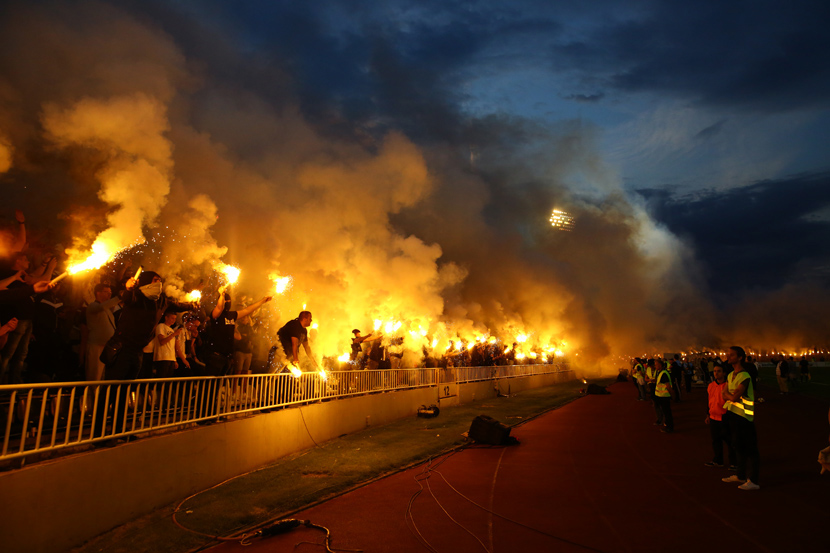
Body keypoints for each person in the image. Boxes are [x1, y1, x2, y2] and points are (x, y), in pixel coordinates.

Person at [204, 285, 272, 376]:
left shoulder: (231, 315)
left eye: (228, 301)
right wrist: (222, 294)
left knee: (218, 386)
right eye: (225, 301)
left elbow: (247, 310)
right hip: (216, 356)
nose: (227, 303)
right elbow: (219, 308)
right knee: (209, 386)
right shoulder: (216, 315)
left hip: (227, 357)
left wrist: (262, 301)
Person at [721, 346, 760, 490]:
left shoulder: (745, 376)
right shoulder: (731, 375)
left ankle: (754, 481)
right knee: (737, 445)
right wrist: (729, 396)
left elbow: (733, 396)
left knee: (751, 449)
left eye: (731, 355)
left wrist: (729, 396)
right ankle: (740, 475)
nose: (728, 357)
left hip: (744, 417)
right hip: (733, 415)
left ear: (740, 357)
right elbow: (724, 393)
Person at [85, 283, 120, 381]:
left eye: (110, 293)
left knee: (105, 375)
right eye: (106, 292)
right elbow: (101, 307)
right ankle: (93, 395)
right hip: (96, 346)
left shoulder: (107, 309)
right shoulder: (92, 306)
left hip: (107, 347)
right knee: (95, 374)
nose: (109, 295)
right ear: (98, 293)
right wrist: (118, 298)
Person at [705, 365, 736, 469]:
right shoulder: (711, 386)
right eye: (714, 371)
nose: (716, 373)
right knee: (716, 440)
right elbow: (709, 401)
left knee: (730, 441)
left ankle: (734, 462)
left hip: (724, 417)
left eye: (718, 371)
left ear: (724, 373)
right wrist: (708, 415)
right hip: (713, 417)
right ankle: (718, 460)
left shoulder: (728, 386)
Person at [153, 309, 182, 378]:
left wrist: (174, 360)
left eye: (175, 319)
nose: (173, 320)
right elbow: (162, 341)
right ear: (166, 317)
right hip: (162, 358)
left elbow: (172, 346)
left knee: (168, 380)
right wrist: (174, 334)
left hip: (170, 359)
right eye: (172, 318)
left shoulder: (171, 330)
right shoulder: (161, 326)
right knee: (161, 379)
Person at [654, 358, 674, 433]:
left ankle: (669, 428)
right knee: (666, 412)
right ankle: (668, 425)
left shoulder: (663, 374)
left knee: (667, 413)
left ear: (660, 365)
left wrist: (672, 395)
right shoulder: (661, 372)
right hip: (662, 396)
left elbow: (668, 386)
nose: (655, 366)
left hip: (664, 396)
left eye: (656, 365)